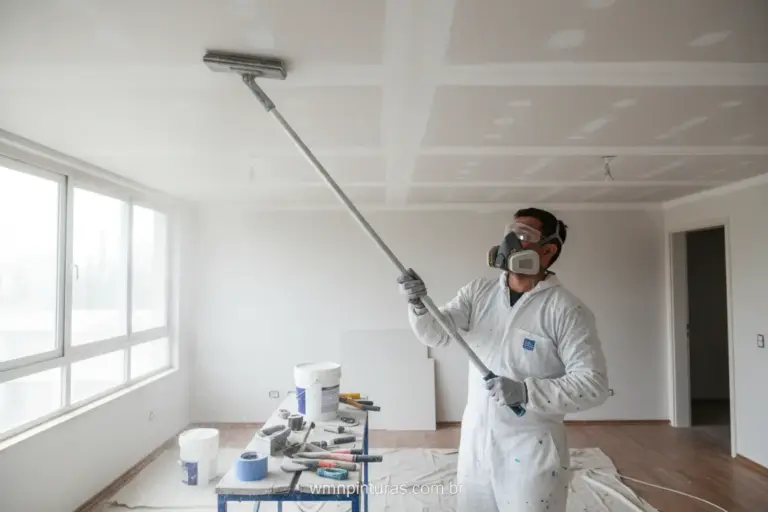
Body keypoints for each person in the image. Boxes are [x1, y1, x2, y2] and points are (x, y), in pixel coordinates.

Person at [397, 207, 609, 512]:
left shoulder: (565, 310)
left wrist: (526, 392)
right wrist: (418, 304)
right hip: (476, 442)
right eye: (510, 232)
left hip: (530, 447)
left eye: (523, 235)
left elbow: (593, 385)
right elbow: (437, 334)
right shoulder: (479, 292)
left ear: (547, 250)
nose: (511, 241)